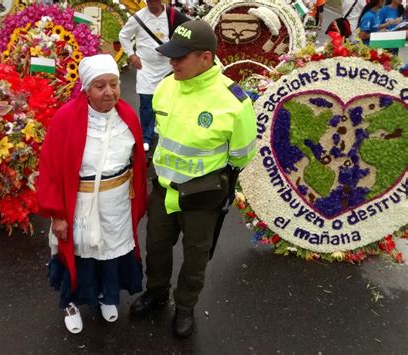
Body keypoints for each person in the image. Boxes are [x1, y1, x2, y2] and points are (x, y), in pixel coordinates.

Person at [129, 20, 258, 338]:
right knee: (156, 248)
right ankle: (157, 294)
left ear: (205, 57)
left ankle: (184, 306)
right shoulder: (166, 85)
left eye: (179, 57)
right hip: (163, 189)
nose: (172, 63)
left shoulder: (233, 101)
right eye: (171, 56)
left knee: (195, 257)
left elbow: (242, 154)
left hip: (201, 198)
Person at [38, 54, 148, 334]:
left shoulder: (128, 117)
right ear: (86, 88)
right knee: (81, 255)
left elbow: (137, 165)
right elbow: (49, 169)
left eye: (113, 84)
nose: (109, 92)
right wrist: (58, 216)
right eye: (100, 86)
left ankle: (106, 296)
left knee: (110, 254)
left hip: (117, 205)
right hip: (80, 205)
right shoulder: (65, 118)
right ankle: (71, 303)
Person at [118, 0, 189, 153]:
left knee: (169, 100)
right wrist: (131, 55)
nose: (152, 3)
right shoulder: (138, 18)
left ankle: (164, 130)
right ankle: (146, 137)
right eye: (149, 1)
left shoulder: (172, 15)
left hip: (167, 67)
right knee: (146, 102)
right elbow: (123, 35)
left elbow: (188, 30)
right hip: (146, 68)